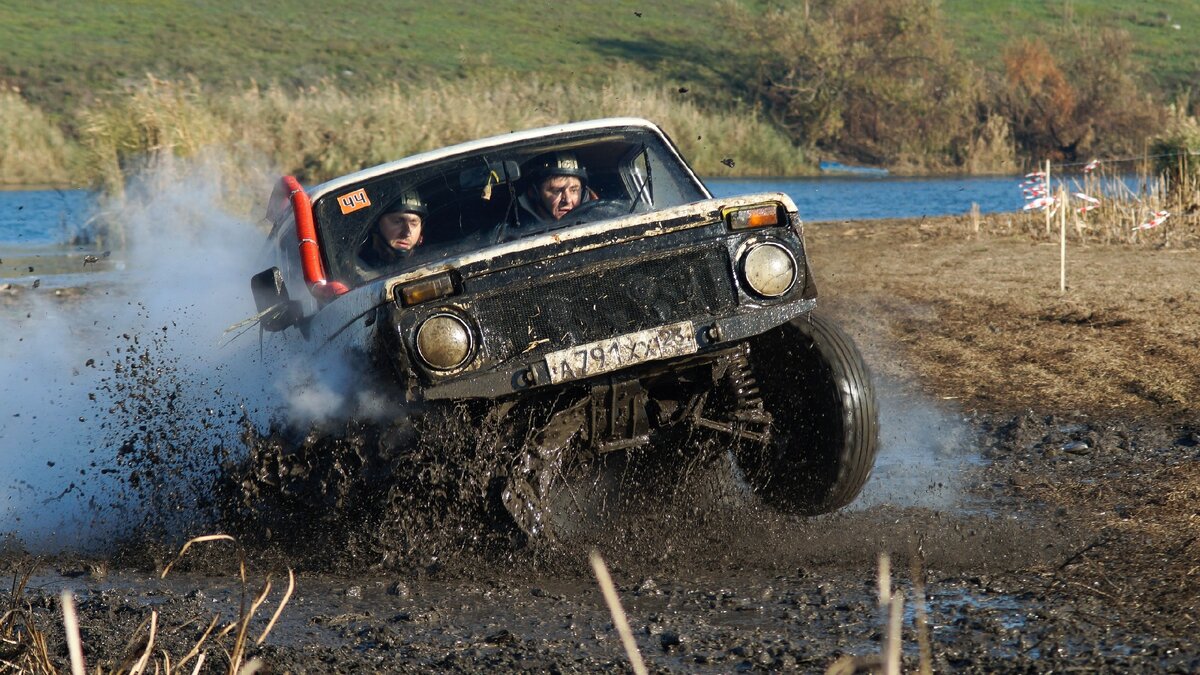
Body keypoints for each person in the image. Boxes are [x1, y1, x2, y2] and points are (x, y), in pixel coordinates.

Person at [516, 151, 592, 224]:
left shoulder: (597, 221)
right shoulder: (516, 231)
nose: (567, 200)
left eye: (574, 190)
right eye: (557, 191)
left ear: (583, 193)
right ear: (534, 192)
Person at [358, 189, 427, 268]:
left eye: (414, 223)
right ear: (375, 224)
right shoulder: (354, 268)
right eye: (397, 221)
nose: (407, 233)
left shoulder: (432, 262)